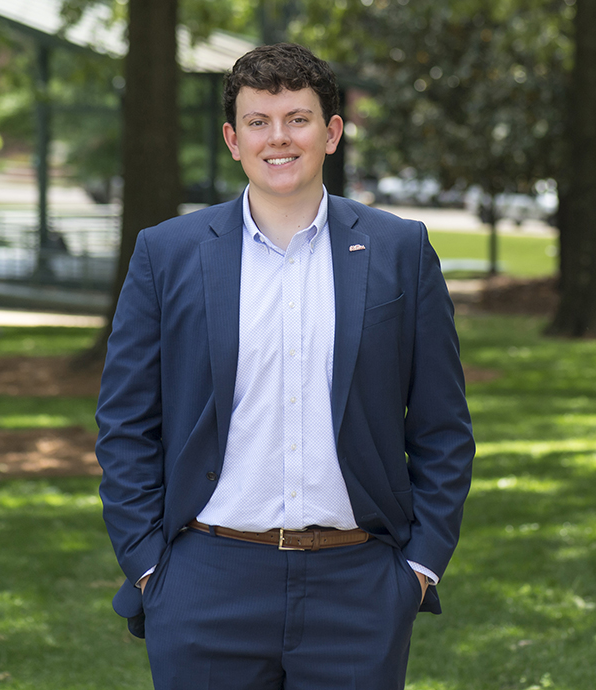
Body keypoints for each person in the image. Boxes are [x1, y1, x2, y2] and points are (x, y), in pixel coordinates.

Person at [95, 43, 475, 690]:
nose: (279, 138)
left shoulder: (399, 251)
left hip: (359, 585)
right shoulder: (167, 254)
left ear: (332, 132)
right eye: (258, 121)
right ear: (231, 138)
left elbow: (442, 426)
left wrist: (418, 569)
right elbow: (126, 423)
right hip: (205, 580)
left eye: (298, 119)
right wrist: (151, 568)